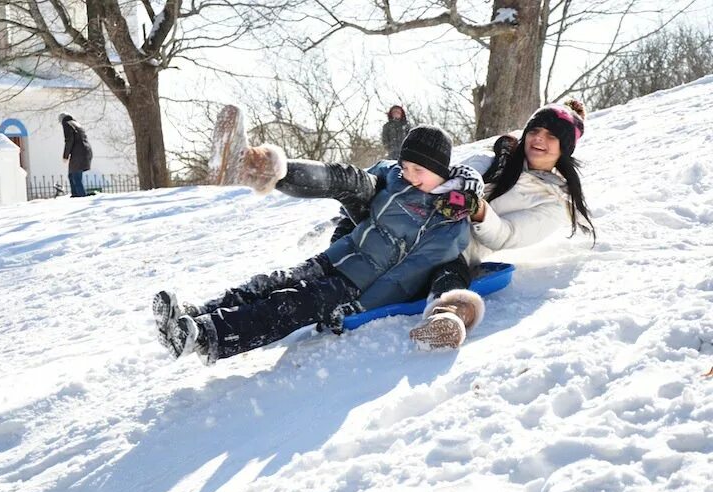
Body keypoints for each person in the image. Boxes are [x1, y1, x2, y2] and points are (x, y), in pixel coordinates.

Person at [202, 99, 596, 350]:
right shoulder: (501, 159)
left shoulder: (553, 202)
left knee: (450, 277)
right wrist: (465, 180)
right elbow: (465, 168)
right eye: (536, 131)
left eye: (551, 136)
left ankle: (448, 322)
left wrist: (476, 210)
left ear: (565, 149)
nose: (539, 140)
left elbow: (507, 237)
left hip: (451, 247)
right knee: (355, 182)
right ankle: (264, 167)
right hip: (405, 217)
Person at [152, 105, 485, 365]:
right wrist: (338, 241)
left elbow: (409, 276)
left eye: (420, 171)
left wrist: (361, 307)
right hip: (336, 258)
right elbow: (349, 199)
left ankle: (204, 336)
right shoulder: (393, 176)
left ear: (442, 172)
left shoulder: (448, 224)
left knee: (287, 305)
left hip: (355, 285)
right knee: (269, 282)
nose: (410, 176)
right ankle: (195, 314)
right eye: (407, 167)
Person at [59, 113, 93, 198]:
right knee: (72, 174)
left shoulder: (66, 123)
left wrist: (65, 156)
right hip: (86, 151)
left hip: (78, 153)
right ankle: (75, 194)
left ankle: (80, 196)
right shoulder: (76, 123)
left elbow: (69, 140)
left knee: (75, 176)